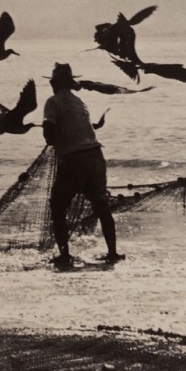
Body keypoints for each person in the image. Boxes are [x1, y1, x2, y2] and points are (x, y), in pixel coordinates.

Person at [42, 62, 124, 266]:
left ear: (55, 83)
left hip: (74, 160)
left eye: (53, 81)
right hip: (96, 157)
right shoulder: (79, 101)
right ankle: (113, 253)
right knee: (101, 206)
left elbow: (48, 134)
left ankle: (64, 255)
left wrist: (51, 136)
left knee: (58, 206)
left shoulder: (52, 102)